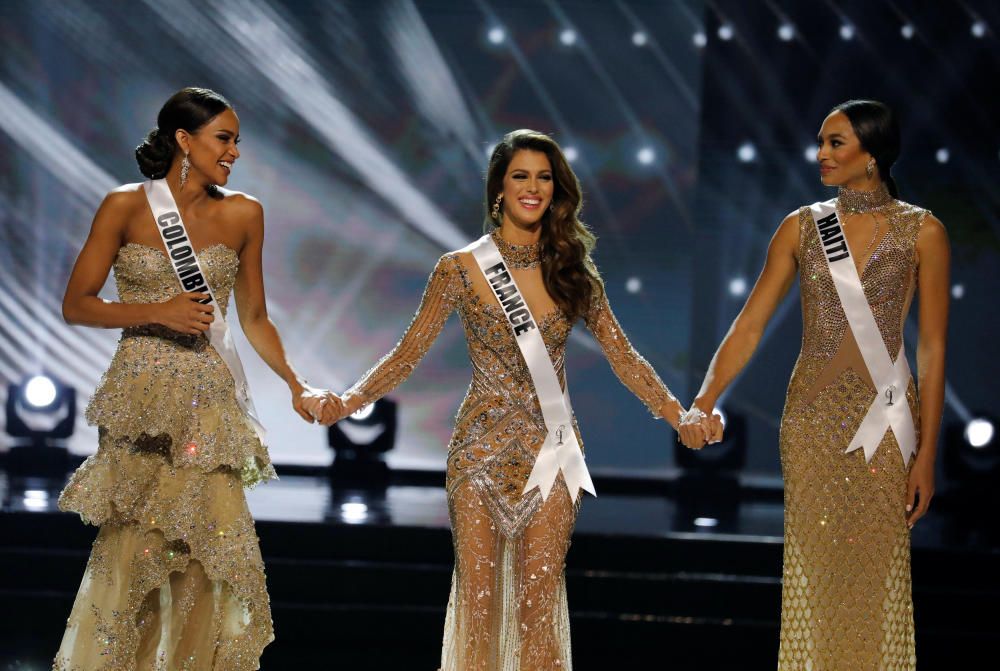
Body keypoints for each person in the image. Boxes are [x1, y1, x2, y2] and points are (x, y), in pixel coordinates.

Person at [308, 129, 708, 669]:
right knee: (479, 605)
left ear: (557, 189)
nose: (533, 187)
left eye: (544, 177)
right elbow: (407, 355)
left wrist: (677, 414)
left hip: (552, 453)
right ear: (498, 187)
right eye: (521, 175)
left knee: (537, 606)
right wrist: (348, 400)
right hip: (478, 455)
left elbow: (624, 357)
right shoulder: (459, 268)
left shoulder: (572, 270)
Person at [55, 87, 326, 670]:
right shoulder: (124, 205)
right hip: (139, 403)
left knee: (209, 558)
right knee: (134, 560)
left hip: (208, 404)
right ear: (184, 139)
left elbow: (253, 316)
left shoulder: (245, 212)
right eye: (223, 138)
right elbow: (77, 304)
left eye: (236, 142)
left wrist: (295, 383)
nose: (233, 152)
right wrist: (156, 311)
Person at [683, 100, 949, 669]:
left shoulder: (923, 231)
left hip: (887, 423)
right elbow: (750, 324)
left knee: (876, 575)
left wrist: (928, 453)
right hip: (811, 425)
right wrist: (706, 397)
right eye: (821, 142)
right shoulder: (802, 227)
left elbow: (932, 347)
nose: (822, 154)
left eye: (836, 143)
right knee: (817, 571)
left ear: (871, 155)